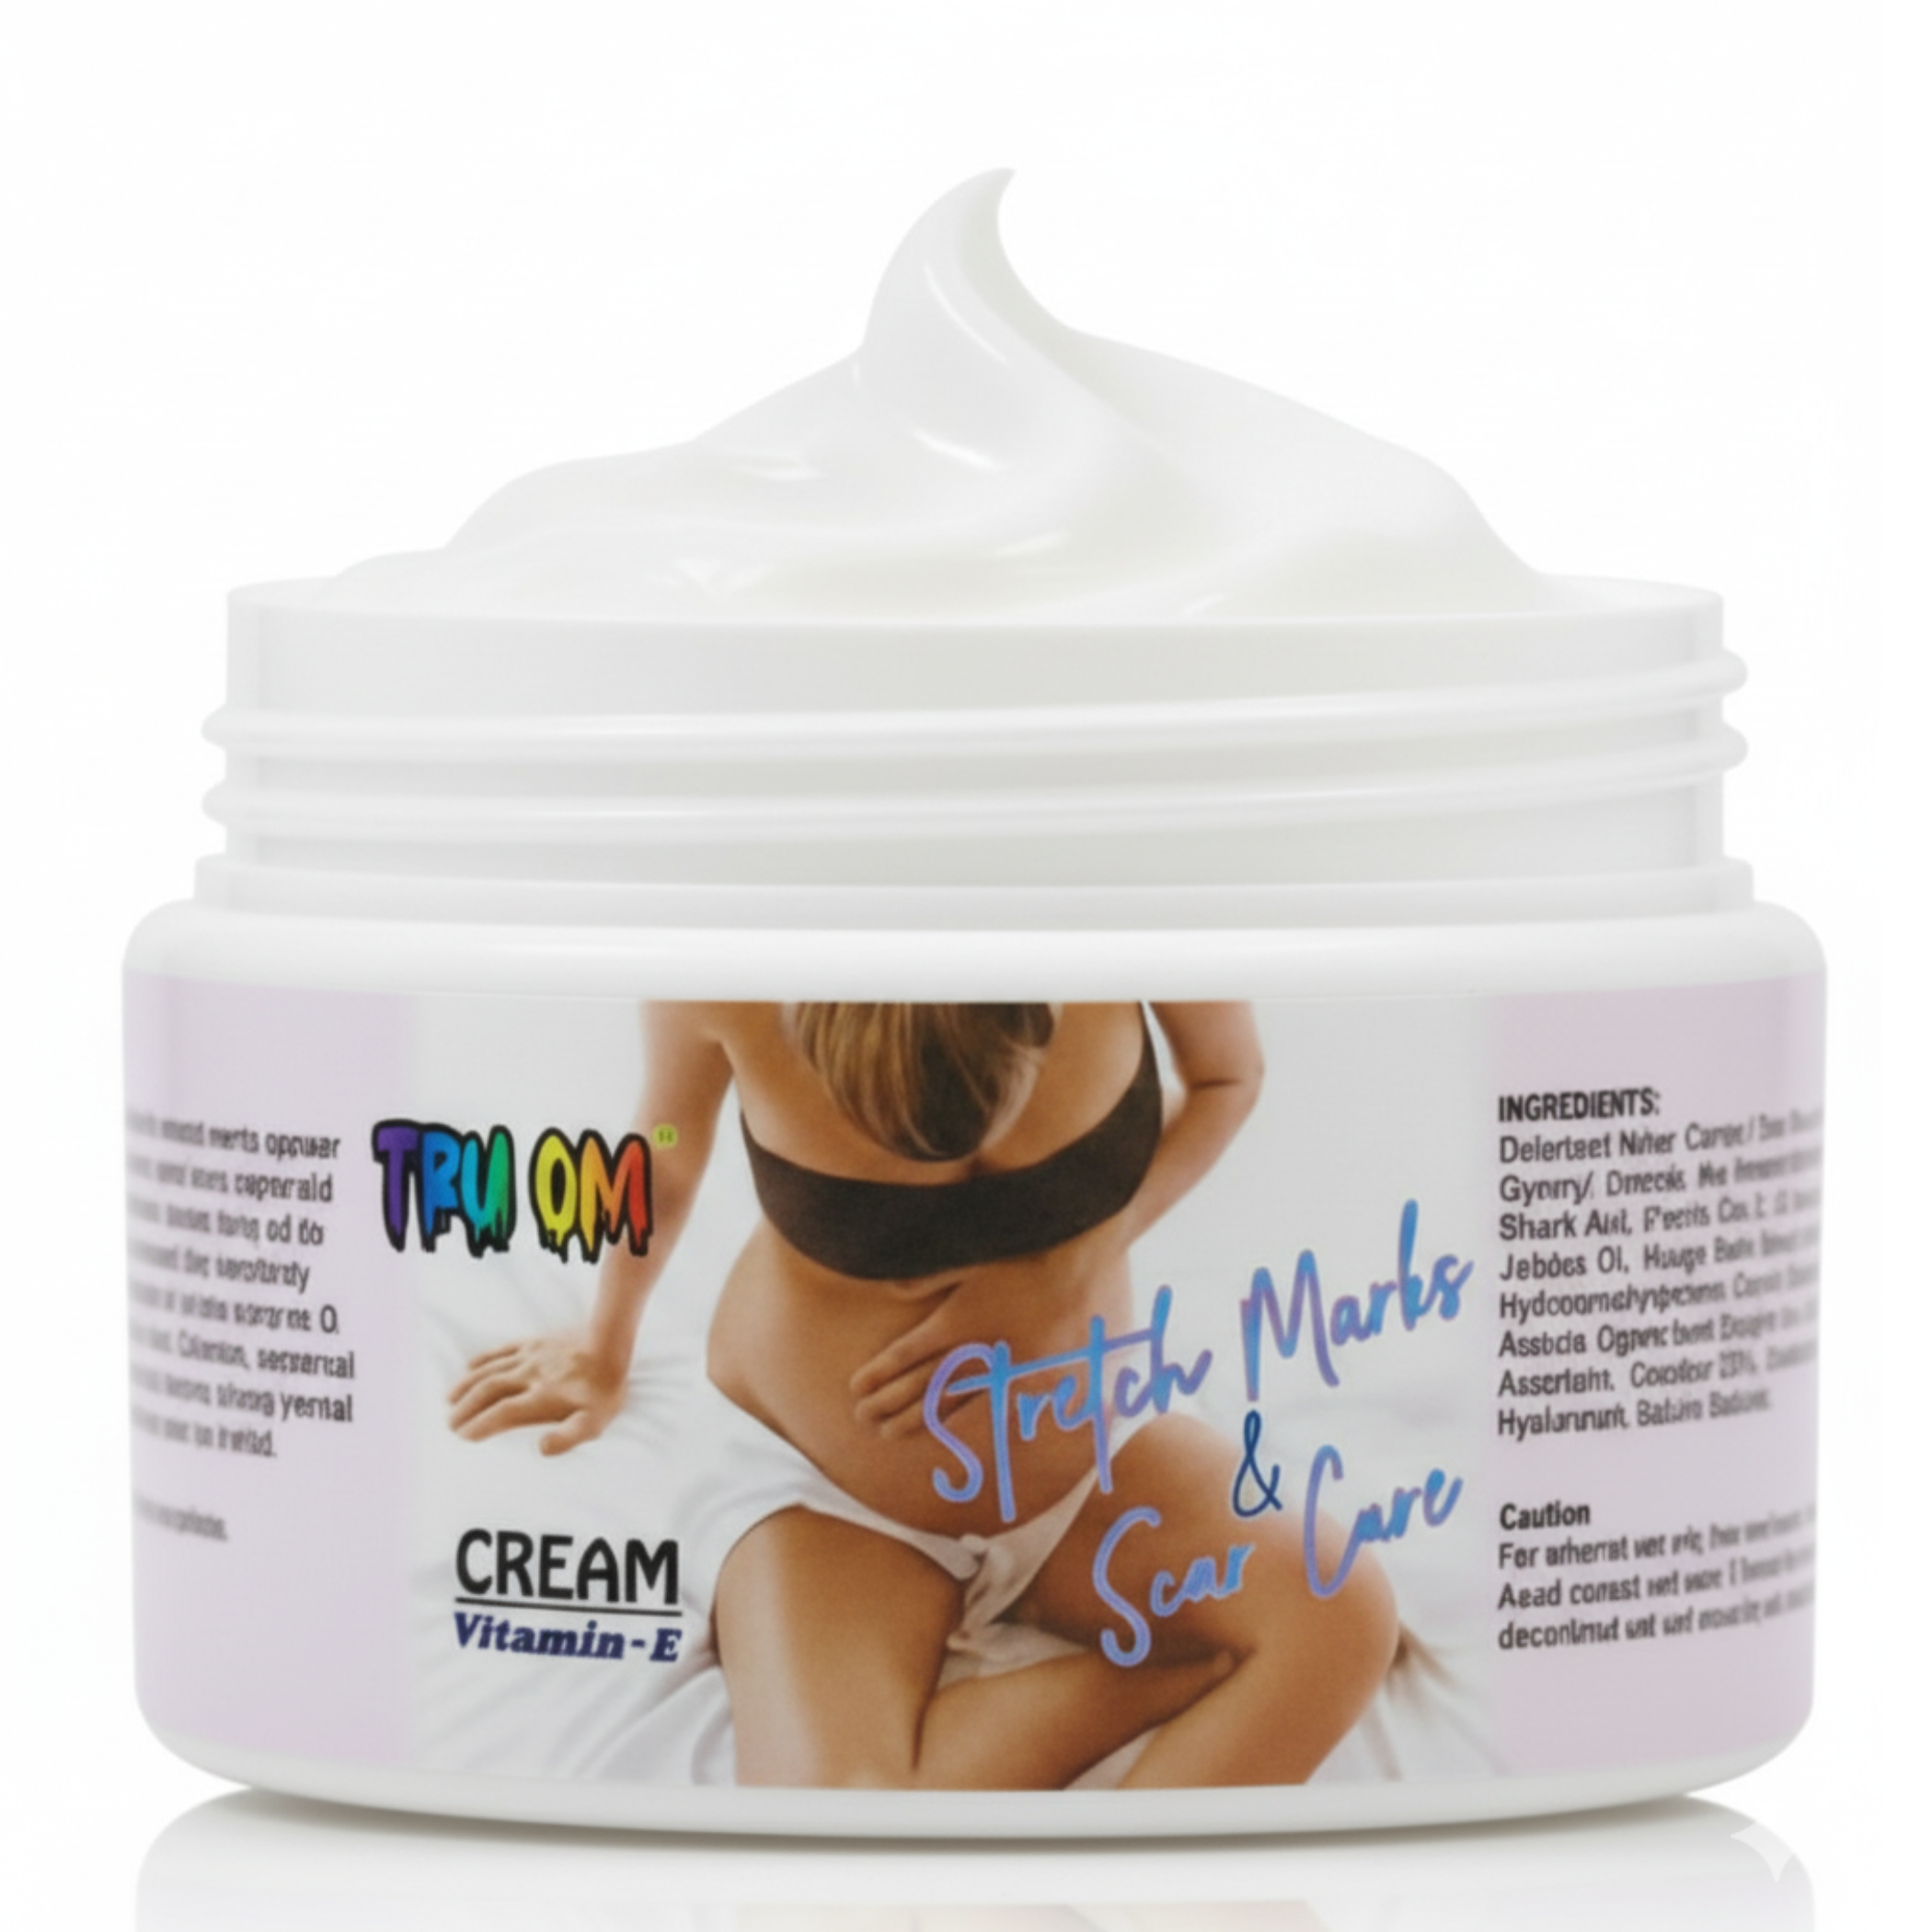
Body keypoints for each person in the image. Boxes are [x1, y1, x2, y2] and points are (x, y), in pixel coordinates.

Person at [448, 1001, 1397, 1789]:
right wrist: (604, 1345)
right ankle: (1154, 1680)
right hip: (834, 1497)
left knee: (1341, 1612)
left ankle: (1138, 1897)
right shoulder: (726, 975)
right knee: (836, 1825)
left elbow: (1229, 1077)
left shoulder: (1127, 904)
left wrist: (1068, 1265)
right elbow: (664, 1145)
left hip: (1087, 1463)